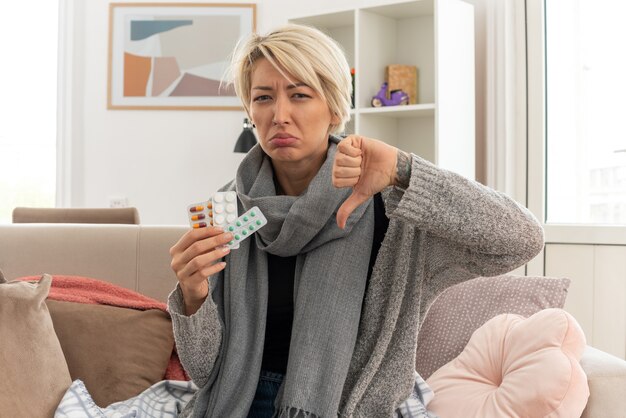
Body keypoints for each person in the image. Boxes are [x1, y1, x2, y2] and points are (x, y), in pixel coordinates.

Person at [167, 24, 544, 418]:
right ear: (250, 112)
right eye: (263, 98)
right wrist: (193, 297)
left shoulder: (395, 211)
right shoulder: (227, 209)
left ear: (333, 106)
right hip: (240, 403)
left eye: (299, 94)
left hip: (352, 407)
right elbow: (206, 371)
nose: (279, 115)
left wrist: (405, 169)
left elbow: (521, 239)